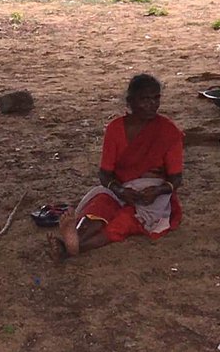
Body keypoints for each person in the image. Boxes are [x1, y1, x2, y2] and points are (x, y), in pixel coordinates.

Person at [48, 74, 183, 260]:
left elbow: (176, 178)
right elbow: (105, 174)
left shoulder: (168, 131)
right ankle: (75, 236)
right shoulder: (115, 128)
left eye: (156, 98)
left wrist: (158, 190)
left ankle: (71, 247)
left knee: (127, 220)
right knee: (100, 205)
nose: (152, 104)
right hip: (120, 189)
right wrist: (119, 190)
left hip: (152, 195)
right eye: (145, 99)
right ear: (131, 102)